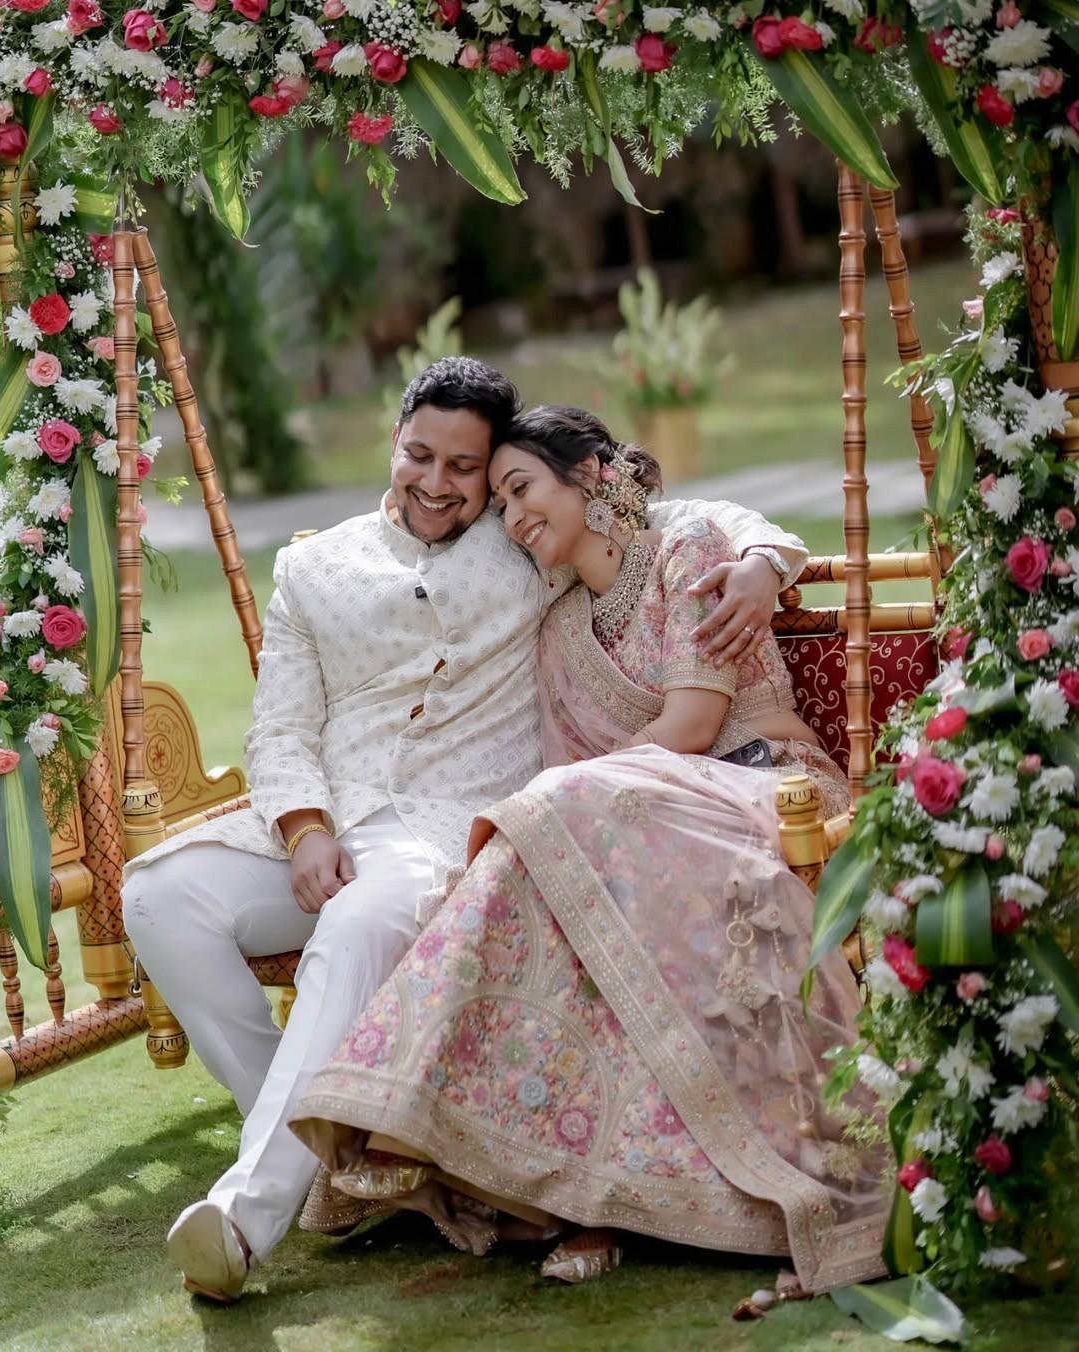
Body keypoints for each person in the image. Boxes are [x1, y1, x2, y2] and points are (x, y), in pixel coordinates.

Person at [120, 362, 809, 1302]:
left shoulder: (526, 542)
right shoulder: (312, 568)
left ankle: (246, 1215)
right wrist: (304, 824)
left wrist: (770, 560)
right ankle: (325, 1155)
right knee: (157, 895)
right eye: (420, 456)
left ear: (492, 477)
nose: (438, 483)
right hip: (325, 822)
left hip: (445, 832)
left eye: (465, 469)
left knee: (361, 925)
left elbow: (682, 516)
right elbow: (278, 727)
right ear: (394, 440)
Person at [290, 406, 889, 1295]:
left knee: (557, 816)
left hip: (765, 790)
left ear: (594, 476)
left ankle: (537, 1181)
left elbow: (690, 726)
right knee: (548, 865)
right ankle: (579, 1189)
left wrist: (767, 561)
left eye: (520, 487)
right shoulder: (559, 631)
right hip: (627, 823)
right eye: (499, 503)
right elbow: (573, 777)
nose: (512, 515)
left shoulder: (688, 552)